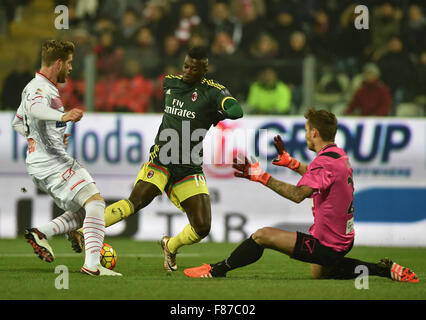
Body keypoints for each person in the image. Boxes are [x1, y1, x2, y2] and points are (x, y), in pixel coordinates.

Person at [184, 109, 418, 283]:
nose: (306, 135)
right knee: (322, 273)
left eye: (307, 131)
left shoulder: (323, 163)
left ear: (314, 132)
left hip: (327, 244)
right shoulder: (338, 156)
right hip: (344, 239)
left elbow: (298, 194)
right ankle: (383, 270)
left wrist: (261, 177)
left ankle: (217, 270)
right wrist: (293, 164)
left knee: (262, 236)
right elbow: (323, 177)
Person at [69, 46, 244, 272]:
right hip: (162, 158)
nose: (187, 71)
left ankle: (170, 245)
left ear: (205, 69)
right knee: (137, 200)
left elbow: (236, 110)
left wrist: (220, 111)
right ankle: (84, 232)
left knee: (202, 227)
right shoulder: (170, 83)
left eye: (194, 68)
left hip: (189, 166)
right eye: (186, 66)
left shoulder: (212, 91)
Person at [12, 40, 121, 276]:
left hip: (45, 162)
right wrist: (63, 117)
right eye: (69, 63)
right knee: (96, 203)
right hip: (52, 162)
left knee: (85, 210)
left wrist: (37, 140)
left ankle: (41, 232)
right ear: (59, 63)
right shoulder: (39, 89)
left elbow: (18, 122)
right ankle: (92, 266)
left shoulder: (38, 87)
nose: (71, 68)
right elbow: (35, 111)